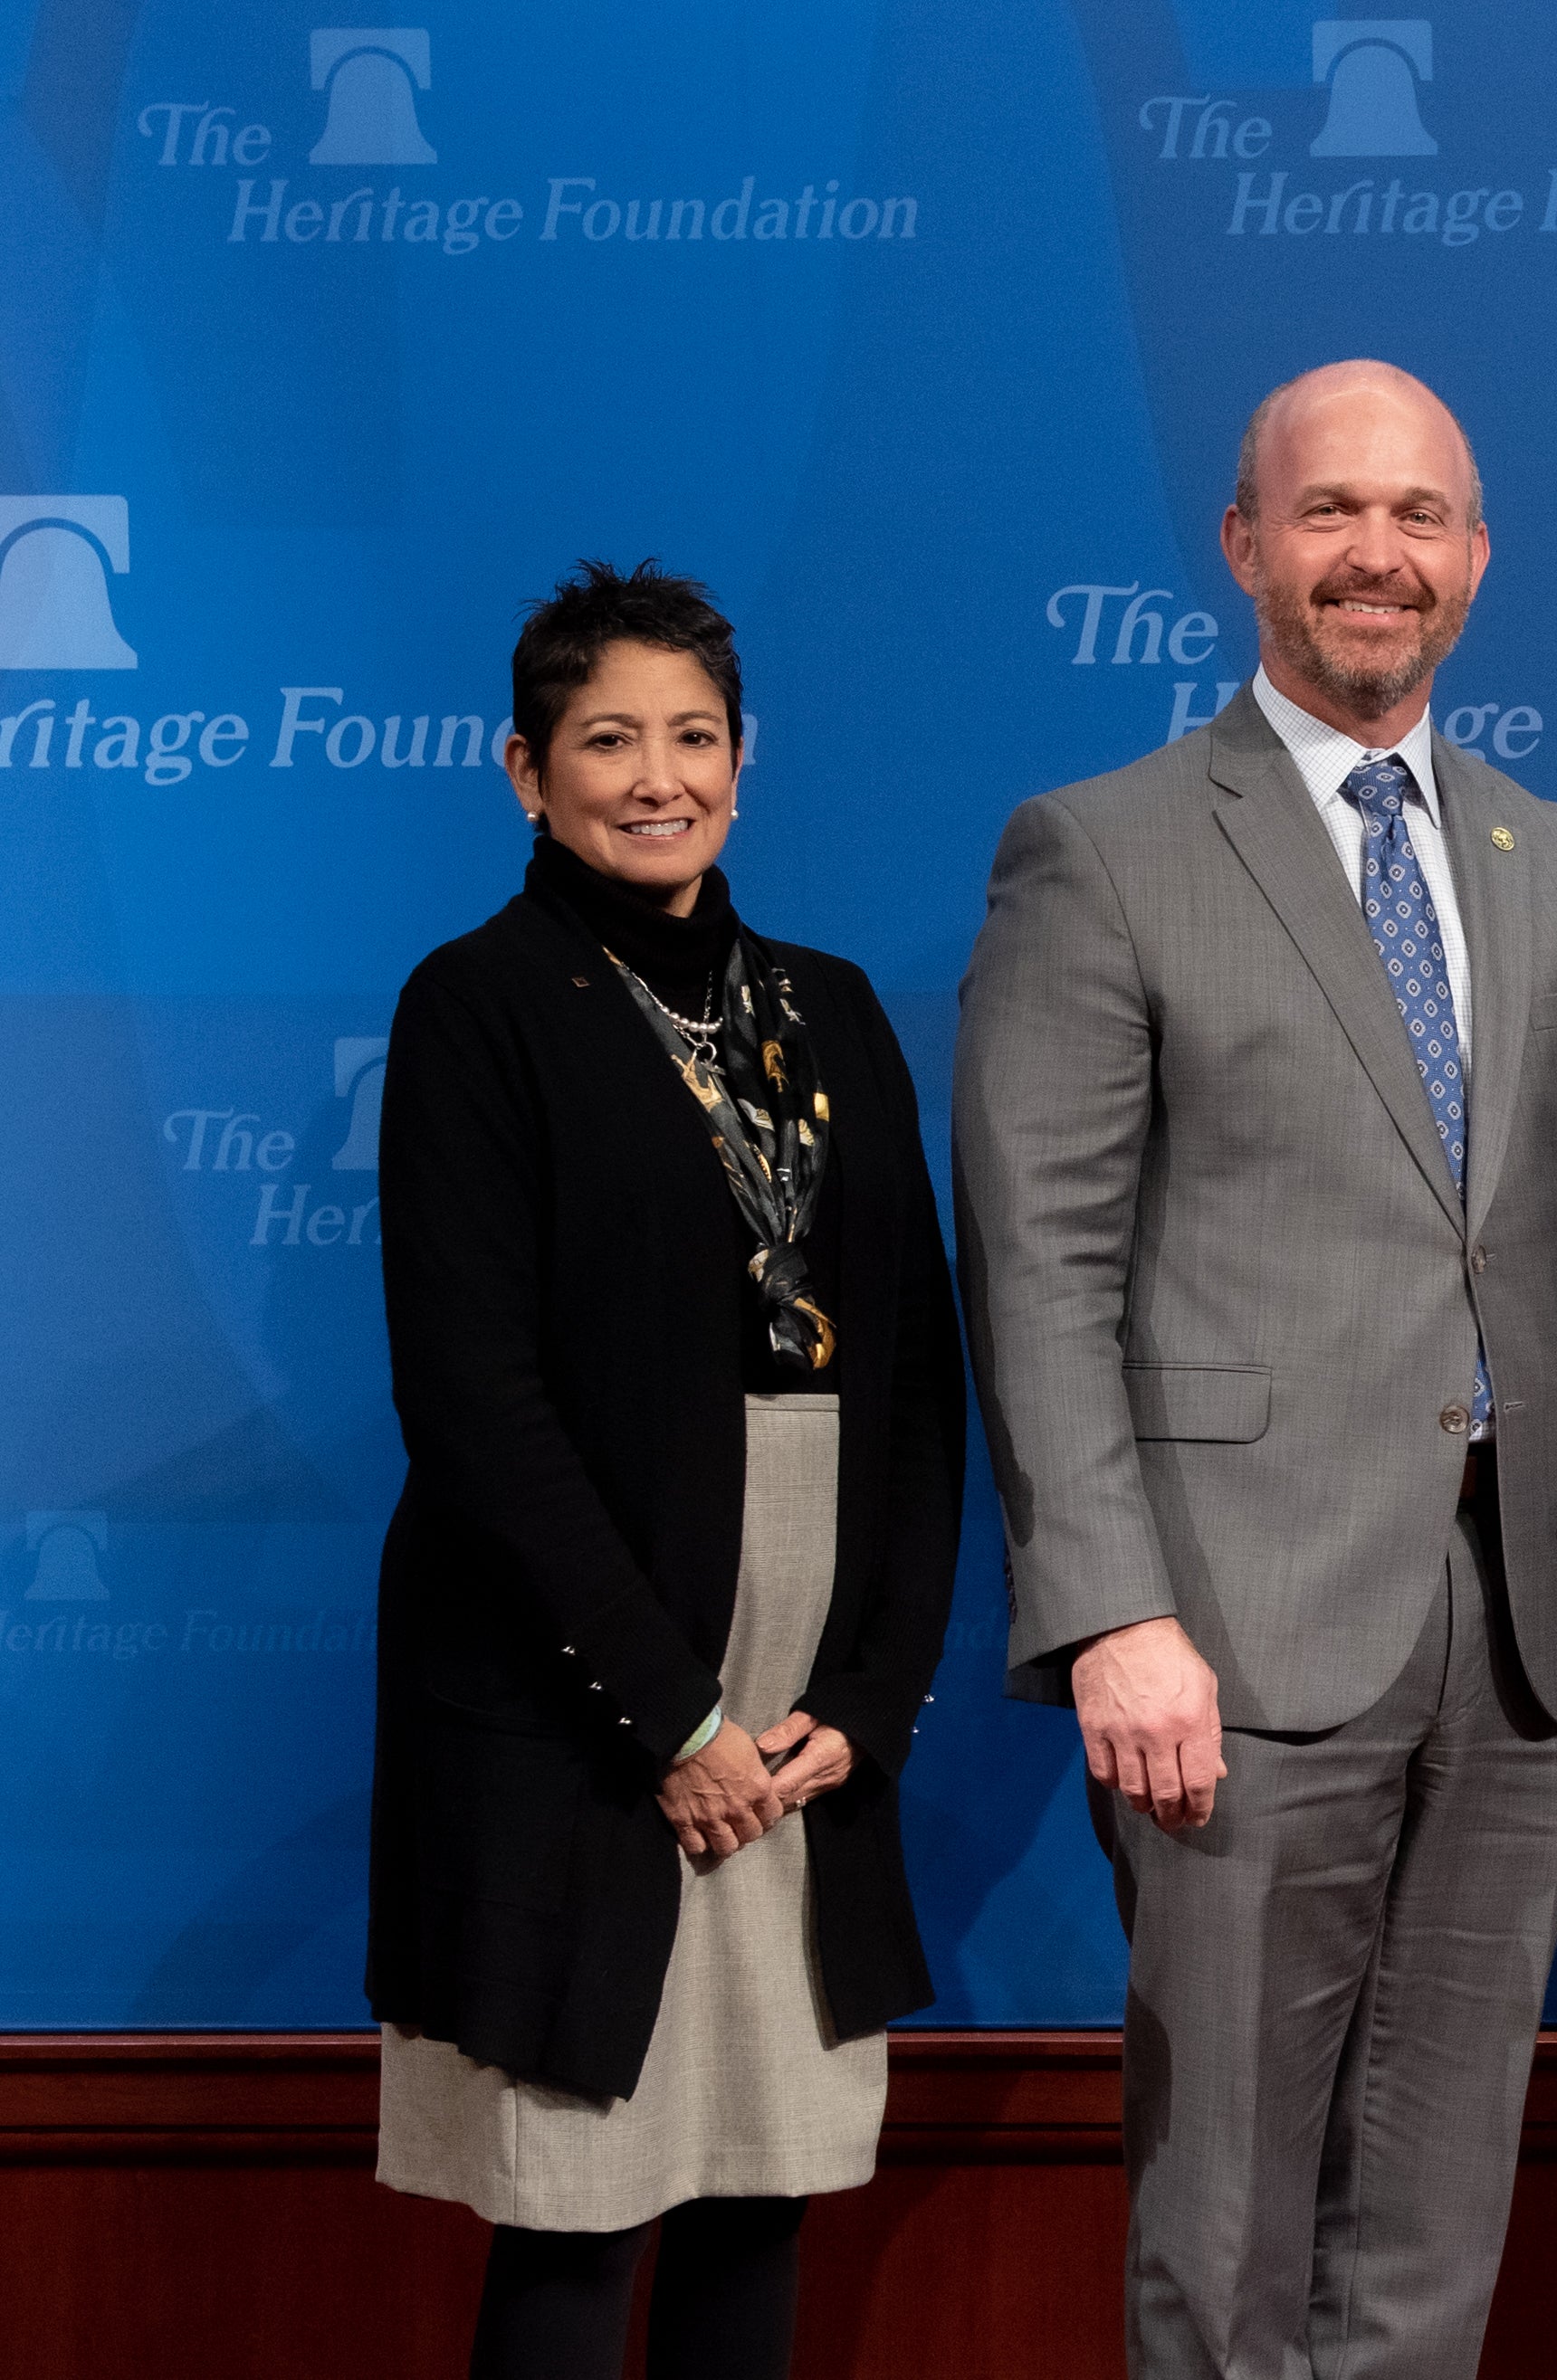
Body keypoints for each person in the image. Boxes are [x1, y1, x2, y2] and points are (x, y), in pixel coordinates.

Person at [954, 358, 1557, 2380]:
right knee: (1230, 2224)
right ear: (1244, 545)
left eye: (1418, 515)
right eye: (1330, 511)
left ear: (1477, 557)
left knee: (1432, 2223)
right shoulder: (1100, 849)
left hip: (1523, 1628)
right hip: (1230, 1636)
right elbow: (1039, 1269)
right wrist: (1111, 1615)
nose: (1377, 554)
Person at [368, 560, 968, 2377]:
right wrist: (672, 1718)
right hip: (588, 1694)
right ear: (524, 770)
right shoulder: (478, 1003)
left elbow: (918, 1384)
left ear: (741, 760)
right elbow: (474, 1405)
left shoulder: (834, 1007)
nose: (658, 777)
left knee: (758, 2188)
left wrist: (866, 1697)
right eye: (608, 739)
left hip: (799, 1699)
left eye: (694, 737)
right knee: (578, 2201)